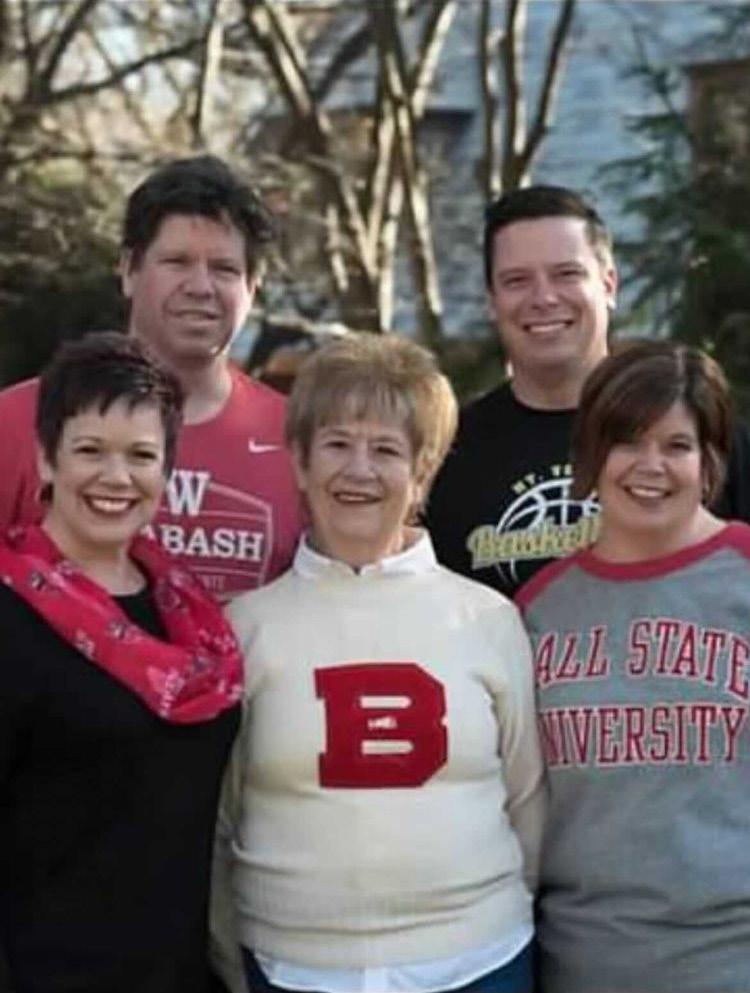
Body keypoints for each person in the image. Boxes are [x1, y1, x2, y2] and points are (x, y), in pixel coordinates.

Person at [211, 334, 545, 993]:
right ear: (299, 462)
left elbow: (528, 799)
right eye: (337, 443)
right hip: (294, 969)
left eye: (387, 449)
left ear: (422, 472)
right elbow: (220, 819)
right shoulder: (244, 628)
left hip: (479, 963)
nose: (359, 470)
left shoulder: (488, 619)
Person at [0, 333, 243, 993]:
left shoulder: (193, 619)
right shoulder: (10, 615)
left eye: (141, 455)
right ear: (46, 458)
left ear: (167, 470)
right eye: (90, 450)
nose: (116, 477)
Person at [517, 340, 750, 993]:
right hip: (581, 966)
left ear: (709, 461)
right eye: (628, 441)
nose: (651, 466)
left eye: (677, 445)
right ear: (592, 452)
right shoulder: (537, 610)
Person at [0, 155, 302, 600]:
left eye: (224, 269)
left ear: (252, 289)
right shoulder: (16, 420)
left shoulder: (299, 439)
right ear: (128, 270)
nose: (201, 287)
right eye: (177, 261)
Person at [426, 185, 750, 599]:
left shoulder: (701, 433)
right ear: (492, 301)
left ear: (609, 285)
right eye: (517, 280)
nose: (544, 298)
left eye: (567, 274)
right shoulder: (447, 455)